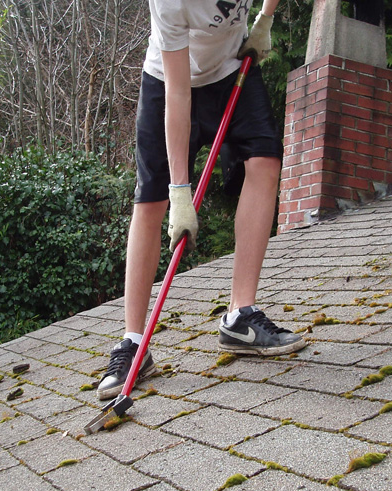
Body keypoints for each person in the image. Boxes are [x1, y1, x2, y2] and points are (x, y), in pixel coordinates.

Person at [97, 0, 306, 401]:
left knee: (264, 160)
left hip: (231, 68)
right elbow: (178, 93)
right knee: (152, 201)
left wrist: (265, 19)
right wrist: (180, 192)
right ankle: (133, 344)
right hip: (169, 82)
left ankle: (240, 317)